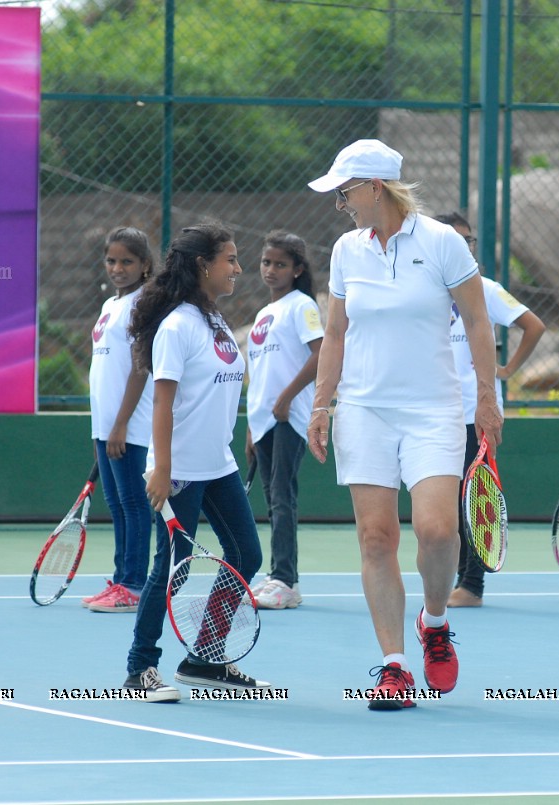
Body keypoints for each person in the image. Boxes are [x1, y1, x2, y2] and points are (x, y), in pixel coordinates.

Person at [306, 139, 502, 710]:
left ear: (374, 188)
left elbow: (477, 320)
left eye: (345, 192)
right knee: (376, 538)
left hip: (435, 409)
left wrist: (487, 398)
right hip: (364, 410)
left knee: (439, 531)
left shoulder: (441, 242)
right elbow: (336, 333)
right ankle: (394, 666)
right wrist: (322, 405)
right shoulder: (346, 250)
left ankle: (434, 622)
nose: (340, 203)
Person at [121, 223, 266, 701]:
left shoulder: (215, 319)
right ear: (204, 264)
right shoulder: (179, 325)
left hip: (217, 464)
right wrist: (161, 470)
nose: (239, 269)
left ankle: (205, 659)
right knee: (172, 568)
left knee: (246, 555)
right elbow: (163, 403)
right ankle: (140, 669)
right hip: (180, 470)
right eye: (231, 259)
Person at [435, 211, 545, 608]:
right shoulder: (427, 289)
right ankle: (457, 578)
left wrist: (507, 371)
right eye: (453, 239)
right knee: (444, 502)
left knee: (474, 495)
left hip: (475, 414)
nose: (462, 247)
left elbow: (534, 325)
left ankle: (473, 585)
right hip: (435, 413)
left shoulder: (485, 288)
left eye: (468, 241)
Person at [244, 230, 324, 610]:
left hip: (288, 419)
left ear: (297, 269)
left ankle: (286, 580)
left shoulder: (302, 306)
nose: (271, 270)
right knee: (271, 499)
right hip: (263, 421)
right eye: (266, 263)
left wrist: (287, 398)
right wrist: (249, 425)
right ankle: (277, 574)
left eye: (280, 264)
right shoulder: (264, 313)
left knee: (282, 498)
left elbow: (320, 354)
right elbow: (260, 374)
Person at [82, 226, 155, 613]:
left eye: (127, 261)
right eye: (111, 260)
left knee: (132, 503)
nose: (117, 268)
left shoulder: (145, 303)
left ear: (145, 265)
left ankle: (135, 584)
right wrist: (106, 425)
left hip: (131, 426)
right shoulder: (111, 304)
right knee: (117, 503)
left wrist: (122, 422)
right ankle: (121, 579)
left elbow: (141, 368)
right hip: (105, 426)